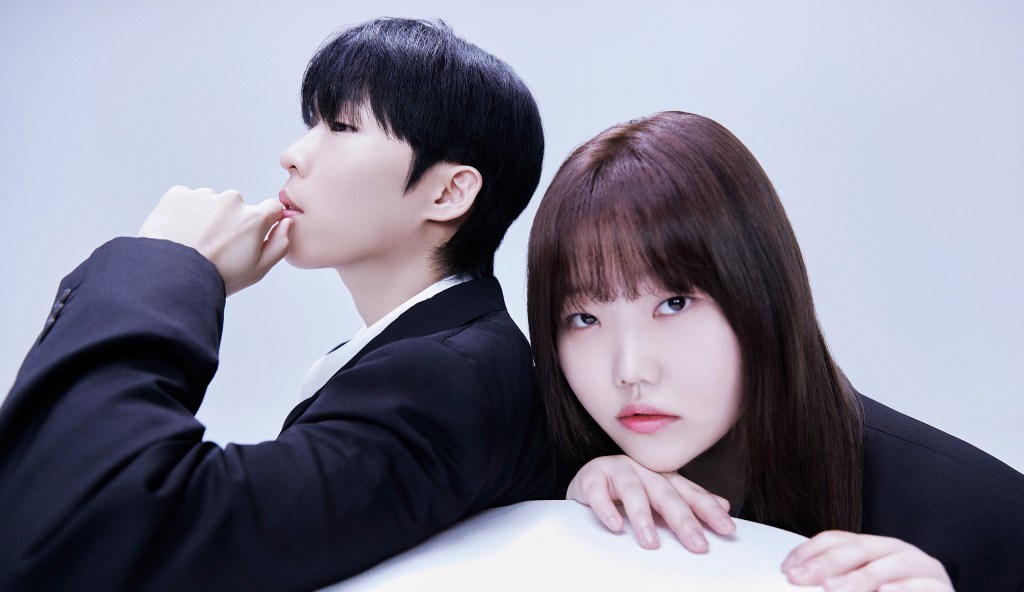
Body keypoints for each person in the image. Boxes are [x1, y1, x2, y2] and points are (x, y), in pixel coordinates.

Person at [0, 18, 558, 591]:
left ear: (447, 192)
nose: (292, 155)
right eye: (311, 123)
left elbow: (90, 527)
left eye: (342, 126)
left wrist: (168, 264)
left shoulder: (445, 380)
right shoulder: (446, 362)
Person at [526, 111, 1024, 591]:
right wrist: (565, 519)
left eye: (674, 303)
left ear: (764, 295)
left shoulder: (982, 522)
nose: (630, 369)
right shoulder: (534, 478)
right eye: (584, 318)